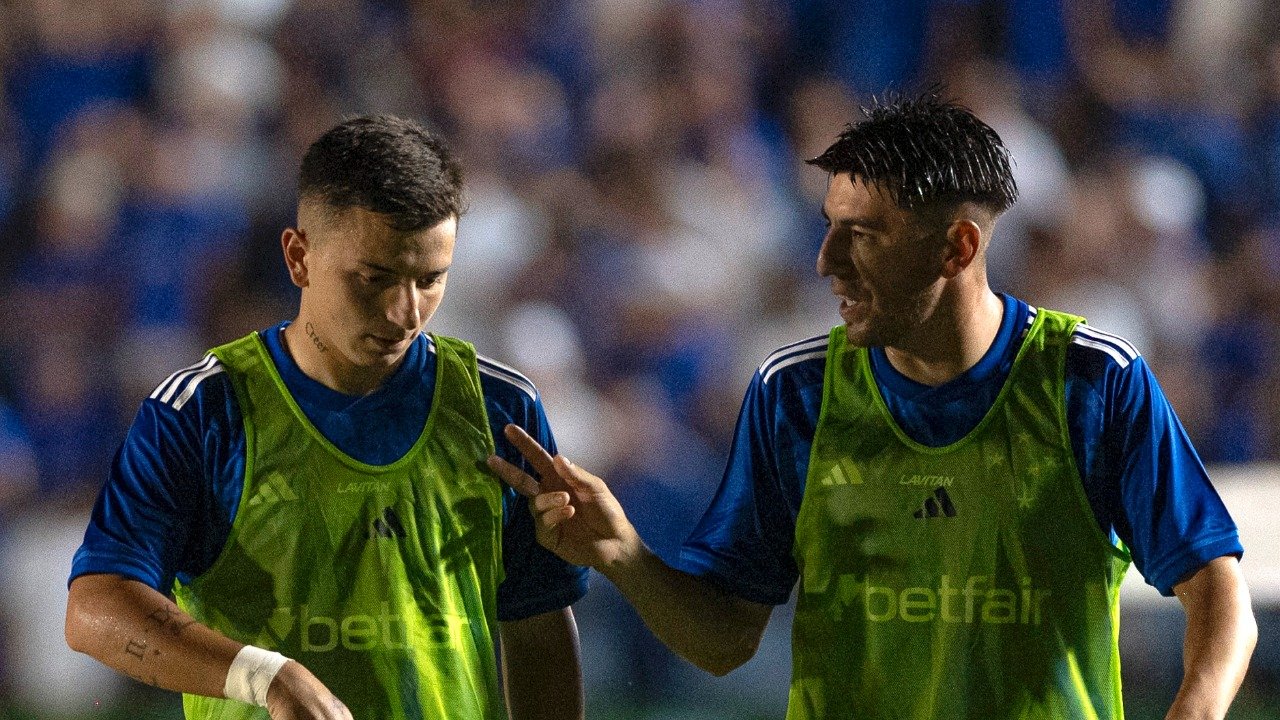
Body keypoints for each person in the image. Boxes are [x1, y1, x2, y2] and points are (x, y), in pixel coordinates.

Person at [489, 94, 1257, 719]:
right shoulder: (796, 393)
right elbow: (726, 639)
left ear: (956, 248)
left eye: (862, 236)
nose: (825, 261)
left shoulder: (1092, 383)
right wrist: (626, 554)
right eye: (829, 230)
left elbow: (1219, 595)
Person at [65, 115, 587, 720]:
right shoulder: (203, 413)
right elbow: (95, 609)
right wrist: (269, 676)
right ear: (299, 257)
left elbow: (539, 623)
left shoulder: (500, 410)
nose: (405, 311)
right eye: (375, 278)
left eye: (430, 279)